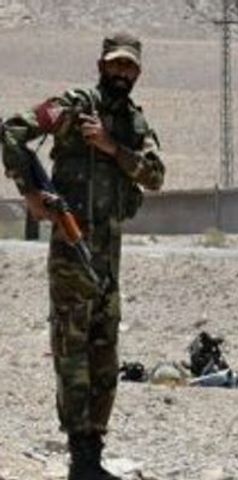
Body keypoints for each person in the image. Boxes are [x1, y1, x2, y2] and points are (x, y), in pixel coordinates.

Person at [1, 32, 164, 480]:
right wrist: (30, 192)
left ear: (137, 72)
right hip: (72, 251)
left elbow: (155, 175)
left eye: (129, 66)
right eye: (115, 64)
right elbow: (13, 131)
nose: (121, 73)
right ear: (100, 65)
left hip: (109, 259)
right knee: (72, 353)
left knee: (104, 357)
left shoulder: (134, 124)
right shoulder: (74, 107)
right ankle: (81, 458)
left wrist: (113, 148)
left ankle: (94, 451)